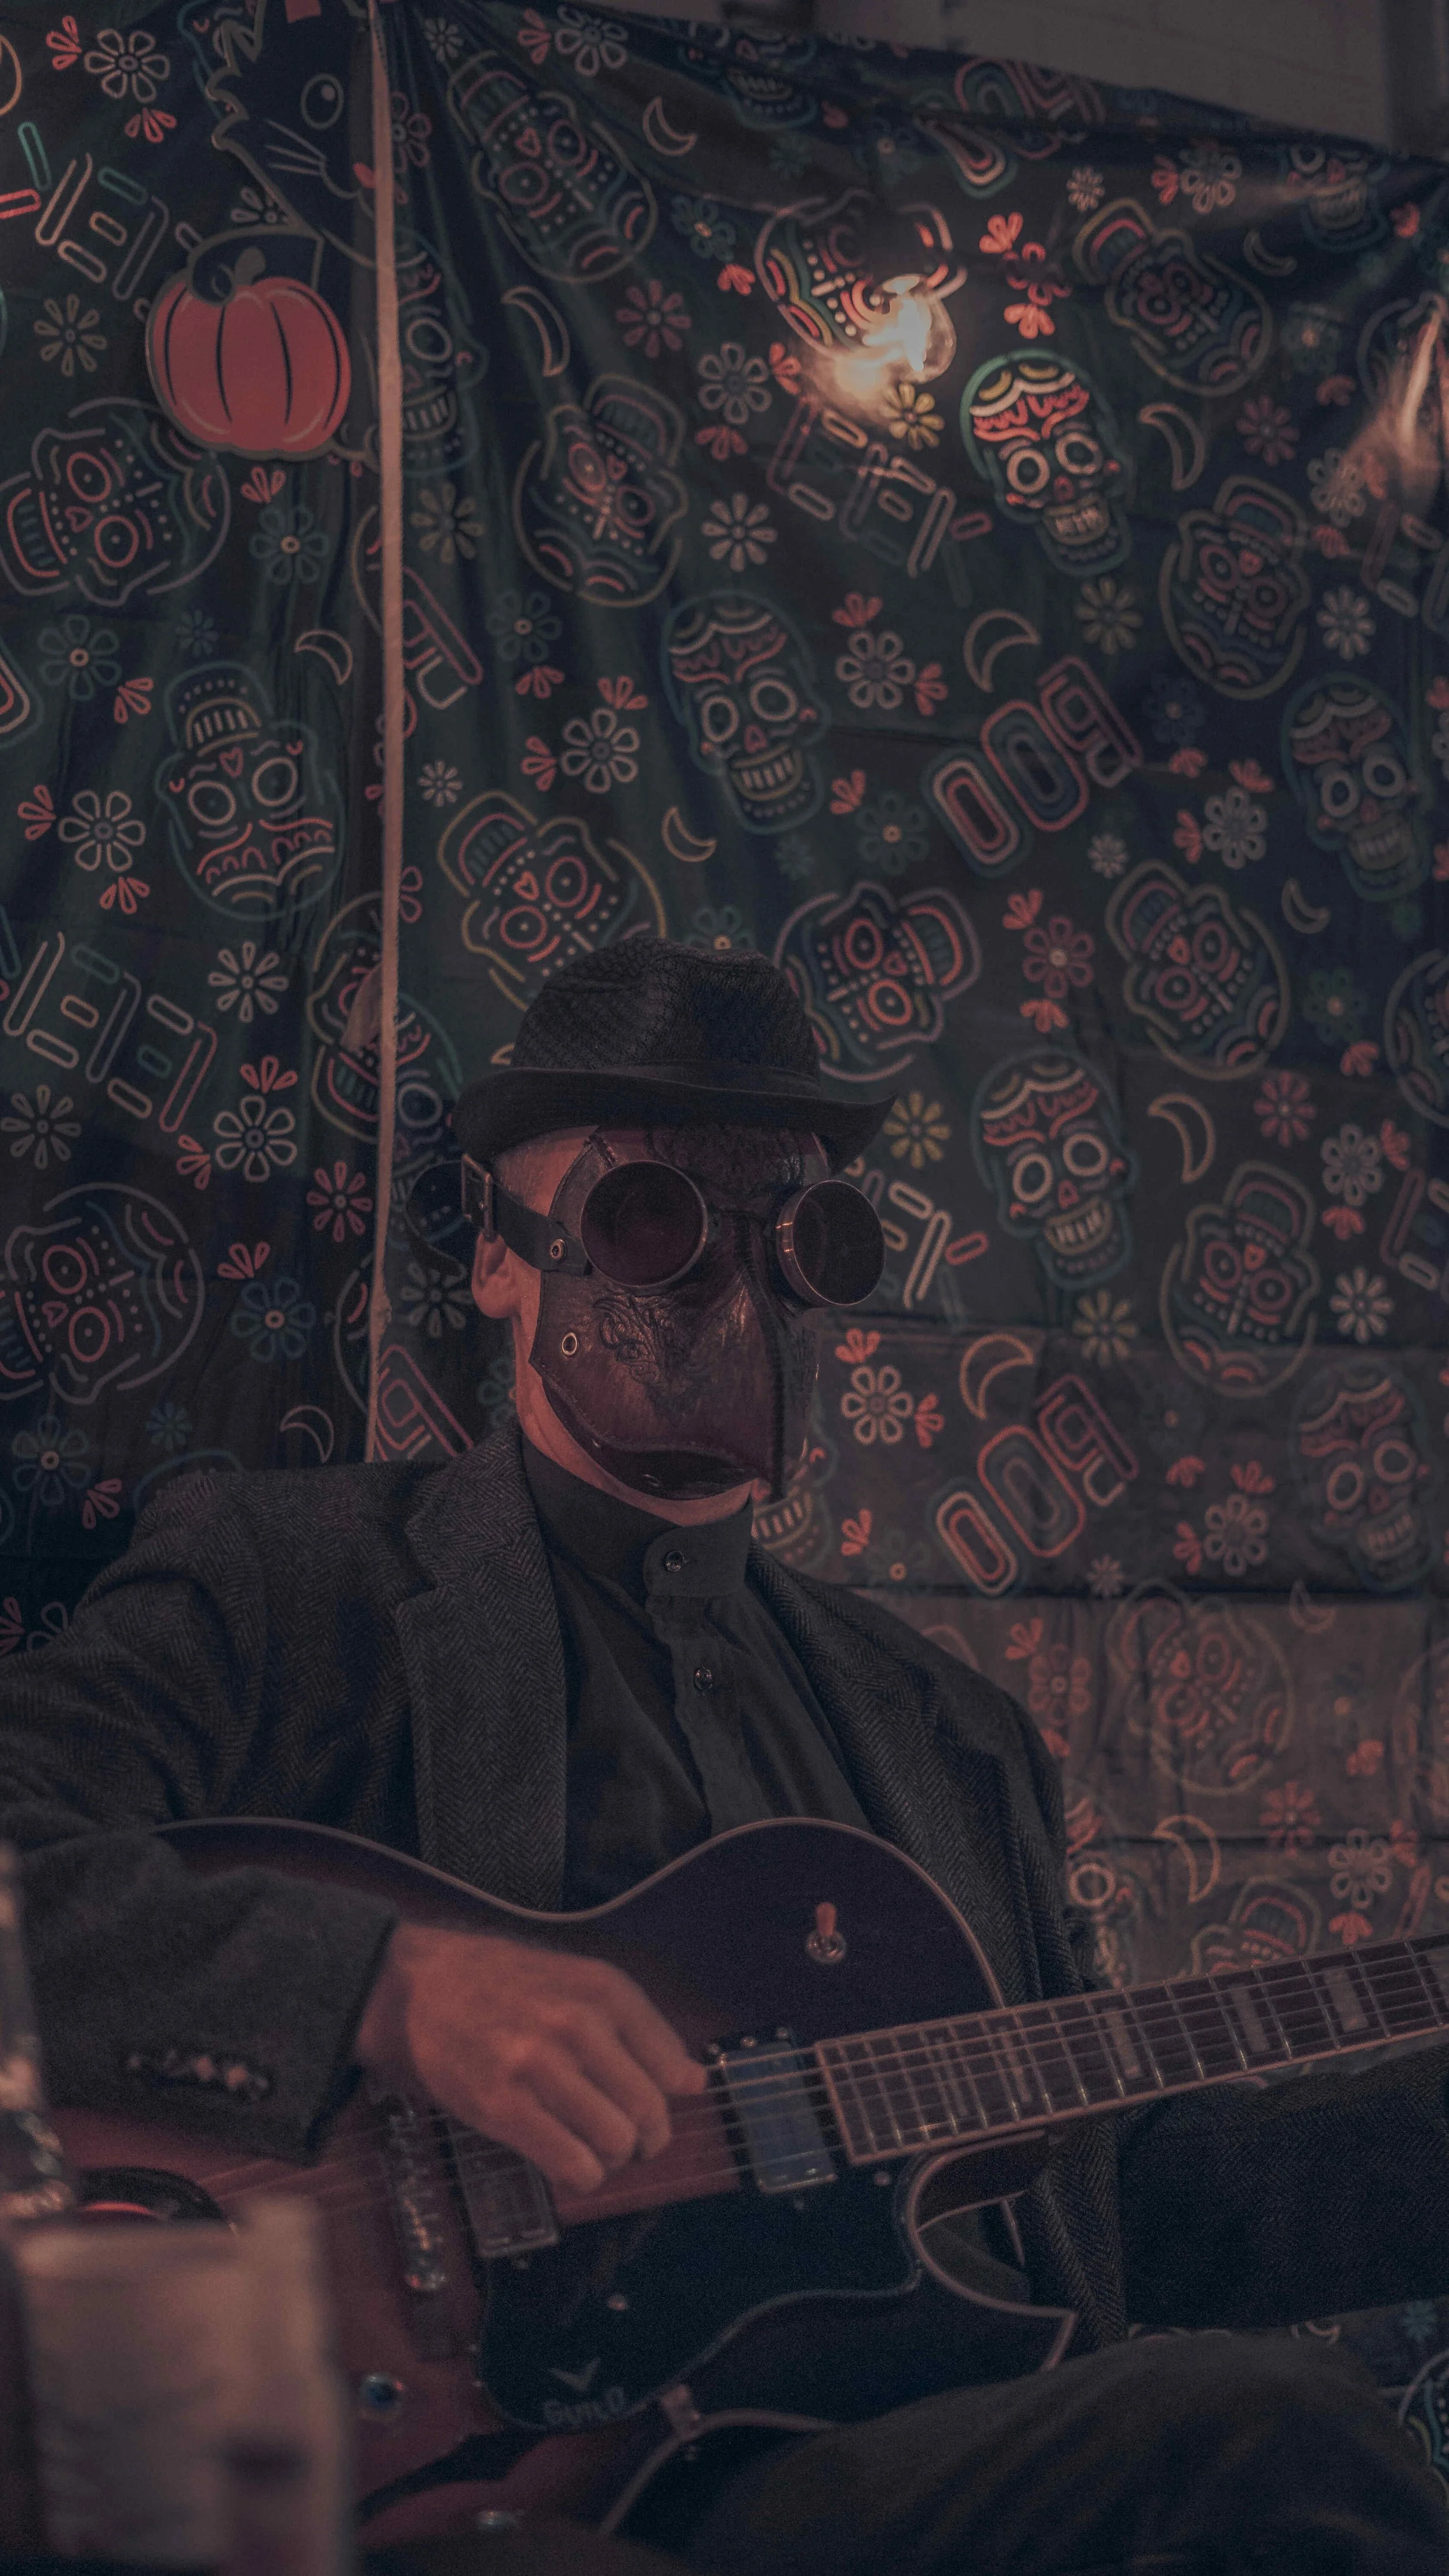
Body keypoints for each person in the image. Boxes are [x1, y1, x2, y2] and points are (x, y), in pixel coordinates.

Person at [1, 938, 1447, 2576]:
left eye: (801, 1233)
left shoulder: (948, 1738)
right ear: (497, 1256)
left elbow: (1118, 2211)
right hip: (451, 2489)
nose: (733, 1286)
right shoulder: (295, 1580)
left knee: (1277, 2432)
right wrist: (382, 1987)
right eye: (649, 1217)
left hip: (862, 2473)